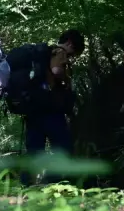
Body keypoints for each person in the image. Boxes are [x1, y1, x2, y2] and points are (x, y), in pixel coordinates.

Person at [24, 29, 85, 160]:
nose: (72, 56)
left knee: (34, 153)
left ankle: (26, 180)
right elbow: (56, 70)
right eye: (73, 53)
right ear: (69, 43)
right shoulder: (60, 51)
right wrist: (67, 79)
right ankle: (53, 179)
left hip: (33, 106)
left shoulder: (46, 53)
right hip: (50, 109)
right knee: (63, 149)